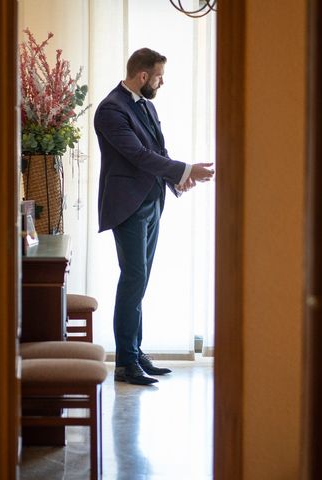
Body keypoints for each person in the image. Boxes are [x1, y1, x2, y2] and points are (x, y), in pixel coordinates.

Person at [94, 47, 214, 385]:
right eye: (159, 76)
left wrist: (180, 179)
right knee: (132, 280)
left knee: (140, 280)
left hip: (151, 202)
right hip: (127, 207)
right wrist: (187, 169)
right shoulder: (110, 110)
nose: (162, 83)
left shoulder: (146, 104)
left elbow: (158, 152)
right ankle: (125, 363)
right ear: (143, 76)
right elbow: (138, 155)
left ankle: (135, 351)